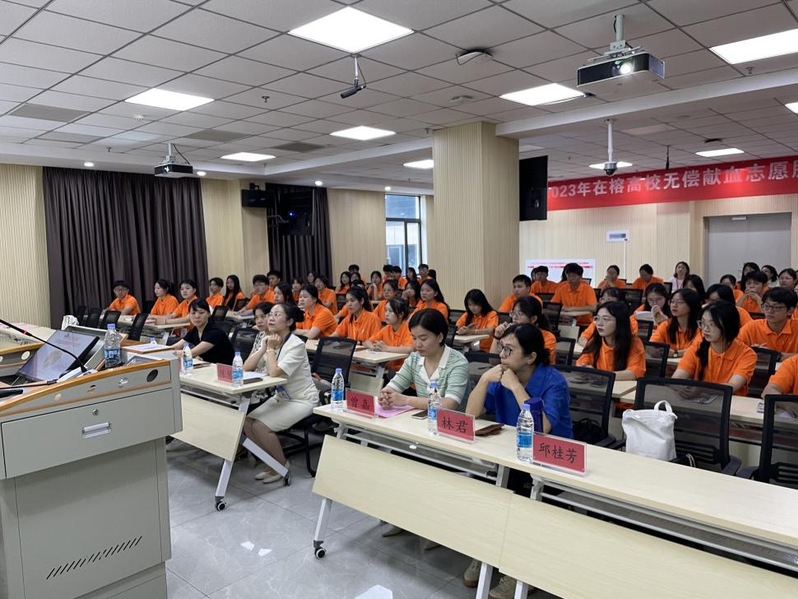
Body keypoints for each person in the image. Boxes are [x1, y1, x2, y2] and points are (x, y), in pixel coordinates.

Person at [243, 302, 318, 483]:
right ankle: (270, 464)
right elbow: (245, 367)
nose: (270, 318)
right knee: (246, 422)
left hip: (302, 399)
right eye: (270, 314)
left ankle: (281, 466)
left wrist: (269, 349)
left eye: (277, 315)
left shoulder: (296, 345)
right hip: (281, 397)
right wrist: (263, 347)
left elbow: (274, 372)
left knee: (261, 427)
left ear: (289, 321)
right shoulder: (268, 338)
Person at [377, 309, 468, 412]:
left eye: (423, 339)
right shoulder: (414, 359)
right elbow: (393, 386)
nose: (418, 344)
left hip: (451, 420)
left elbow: (449, 404)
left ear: (440, 337)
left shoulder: (458, 362)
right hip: (424, 418)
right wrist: (385, 395)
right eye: (414, 338)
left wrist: (406, 400)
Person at [673, 301, 756, 395]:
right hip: (697, 400)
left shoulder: (747, 354)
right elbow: (676, 379)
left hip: (730, 403)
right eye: (702, 323)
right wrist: (682, 388)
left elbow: (732, 387)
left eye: (711, 324)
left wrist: (701, 389)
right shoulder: (697, 347)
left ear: (728, 326)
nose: (705, 329)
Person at [577, 301, 646, 380]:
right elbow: (581, 362)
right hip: (597, 385)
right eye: (597, 318)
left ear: (620, 322)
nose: (599, 323)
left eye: (605, 319)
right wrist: (584, 367)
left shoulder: (634, 343)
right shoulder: (594, 341)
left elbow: (633, 373)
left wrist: (599, 375)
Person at [491, 297, 556, 362]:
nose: (514, 317)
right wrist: (497, 337)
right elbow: (493, 361)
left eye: (520, 314)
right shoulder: (509, 333)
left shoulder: (548, 337)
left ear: (533, 319)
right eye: (513, 313)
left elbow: (536, 363)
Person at [170, 299, 234, 364]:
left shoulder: (215, 332)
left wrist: (168, 353)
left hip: (223, 368)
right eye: (193, 313)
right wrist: (165, 350)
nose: (197, 316)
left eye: (201, 313)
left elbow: (192, 353)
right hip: (208, 365)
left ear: (208, 314)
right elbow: (176, 347)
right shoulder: (195, 330)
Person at [737, 288, 798, 356]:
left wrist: (773, 355)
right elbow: (733, 348)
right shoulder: (752, 327)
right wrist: (750, 351)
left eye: (776, 307)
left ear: (790, 311)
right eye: (766, 306)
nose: (770, 311)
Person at [364, 298, 413, 372]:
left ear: (401, 314)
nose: (386, 314)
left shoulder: (408, 329)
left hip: (403, 371)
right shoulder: (386, 329)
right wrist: (373, 347)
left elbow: (409, 349)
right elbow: (367, 341)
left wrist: (386, 348)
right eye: (386, 310)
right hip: (388, 369)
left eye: (390, 311)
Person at [649, 289, 702, 357]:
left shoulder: (701, 327)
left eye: (680, 302)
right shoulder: (666, 324)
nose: (674, 305)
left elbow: (699, 350)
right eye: (672, 301)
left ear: (692, 304)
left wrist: (675, 353)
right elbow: (651, 347)